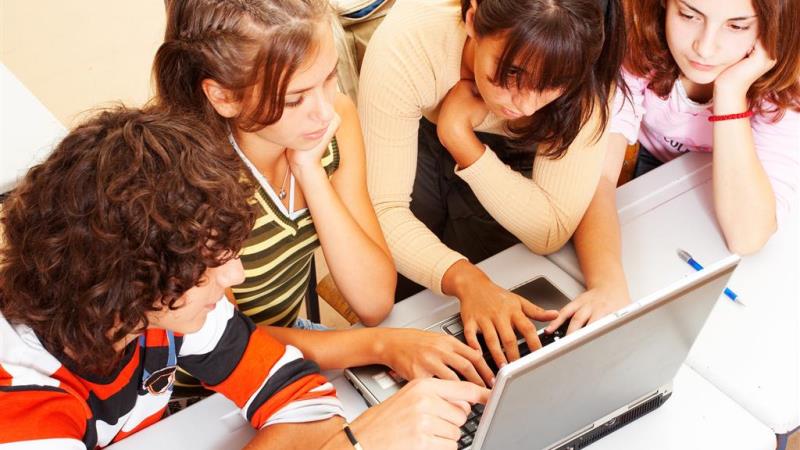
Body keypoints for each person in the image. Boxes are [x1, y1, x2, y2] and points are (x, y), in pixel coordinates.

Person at [0, 106, 489, 449]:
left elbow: (304, 398)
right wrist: (354, 446)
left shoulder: (156, 313)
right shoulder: (21, 399)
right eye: (210, 264)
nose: (234, 274)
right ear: (127, 280)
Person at [152, 0, 494, 389]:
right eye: (294, 99)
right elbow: (227, 346)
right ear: (224, 97)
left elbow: (374, 300)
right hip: (198, 389)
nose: (323, 111)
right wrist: (380, 345)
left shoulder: (332, 124)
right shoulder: (191, 181)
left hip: (289, 342)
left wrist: (310, 172)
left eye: (329, 77)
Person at [358, 0, 626, 367]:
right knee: (406, 304)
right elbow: (384, 211)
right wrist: (467, 280)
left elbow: (549, 230)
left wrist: (460, 139)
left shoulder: (584, 58)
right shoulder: (411, 41)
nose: (526, 106)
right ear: (472, 20)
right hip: (414, 129)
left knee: (492, 307)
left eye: (553, 84)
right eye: (512, 74)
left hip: (506, 159)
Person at [546, 0, 800, 335]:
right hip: (652, 166)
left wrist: (731, 90)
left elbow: (747, 236)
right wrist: (607, 286)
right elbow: (597, 178)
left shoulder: (785, 87)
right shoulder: (637, 44)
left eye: (737, 26)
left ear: (771, 28)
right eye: (689, 15)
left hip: (737, 177)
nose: (705, 48)